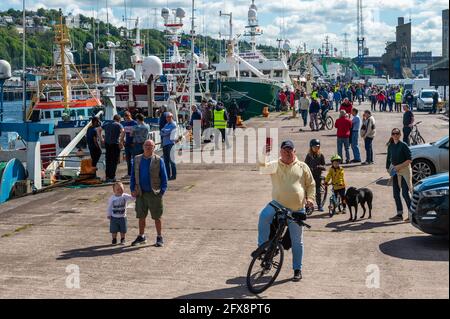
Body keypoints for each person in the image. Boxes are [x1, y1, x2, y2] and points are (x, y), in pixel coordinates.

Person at [254, 140, 315, 282]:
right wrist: (263, 154)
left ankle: (297, 269)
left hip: (297, 209)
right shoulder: (275, 165)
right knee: (264, 216)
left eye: (290, 150)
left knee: (296, 241)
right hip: (278, 204)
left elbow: (311, 184)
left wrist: (310, 199)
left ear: (294, 151)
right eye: (285, 150)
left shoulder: (302, 166)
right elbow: (261, 168)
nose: (287, 153)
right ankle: (262, 247)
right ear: (281, 152)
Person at [130, 139, 168, 247]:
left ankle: (159, 237)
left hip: (154, 192)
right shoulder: (137, 159)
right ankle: (141, 236)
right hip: (140, 193)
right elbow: (133, 175)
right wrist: (132, 189)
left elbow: (164, 177)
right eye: (146, 145)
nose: (148, 147)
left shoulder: (158, 160)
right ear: (143, 146)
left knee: (157, 216)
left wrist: (162, 192)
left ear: (154, 148)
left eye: (150, 146)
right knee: (141, 216)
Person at [386, 128, 413, 222]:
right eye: (393, 133)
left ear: (400, 135)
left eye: (397, 133)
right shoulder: (391, 146)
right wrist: (388, 169)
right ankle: (399, 214)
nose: (395, 135)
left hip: (404, 170)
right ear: (391, 135)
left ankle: (411, 215)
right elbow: (388, 158)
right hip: (395, 171)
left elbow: (409, 159)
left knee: (405, 193)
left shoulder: (403, 145)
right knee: (395, 194)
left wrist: (399, 166)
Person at [101, 114, 125, 183]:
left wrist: (101, 138)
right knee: (114, 161)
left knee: (108, 160)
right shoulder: (118, 124)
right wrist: (121, 141)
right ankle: (112, 177)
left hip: (107, 144)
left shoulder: (107, 124)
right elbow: (123, 131)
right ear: (119, 119)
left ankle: (107, 176)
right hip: (115, 144)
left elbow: (98, 129)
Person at [305, 139, 326, 211]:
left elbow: (324, 166)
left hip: (317, 176)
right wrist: (308, 168)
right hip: (310, 176)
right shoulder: (309, 156)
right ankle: (308, 206)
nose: (315, 148)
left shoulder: (321, 155)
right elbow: (305, 165)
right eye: (314, 147)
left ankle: (319, 205)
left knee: (318, 191)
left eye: (317, 147)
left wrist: (319, 167)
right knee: (307, 192)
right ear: (311, 147)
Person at [160, 112, 177, 181]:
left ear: (172, 117)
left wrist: (164, 131)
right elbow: (161, 132)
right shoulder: (166, 124)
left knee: (172, 161)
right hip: (165, 144)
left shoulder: (173, 124)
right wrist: (164, 131)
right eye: (167, 117)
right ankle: (167, 175)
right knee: (166, 161)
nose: (168, 118)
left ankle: (173, 175)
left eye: (169, 117)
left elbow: (167, 132)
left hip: (170, 144)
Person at [122, 111, 137, 178]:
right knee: (128, 160)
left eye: (127, 116)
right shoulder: (125, 123)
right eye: (125, 116)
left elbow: (136, 134)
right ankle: (129, 173)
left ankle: (135, 173)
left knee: (134, 159)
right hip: (127, 143)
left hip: (133, 144)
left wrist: (134, 142)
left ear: (129, 116)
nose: (126, 118)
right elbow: (124, 133)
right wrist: (122, 141)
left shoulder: (134, 123)